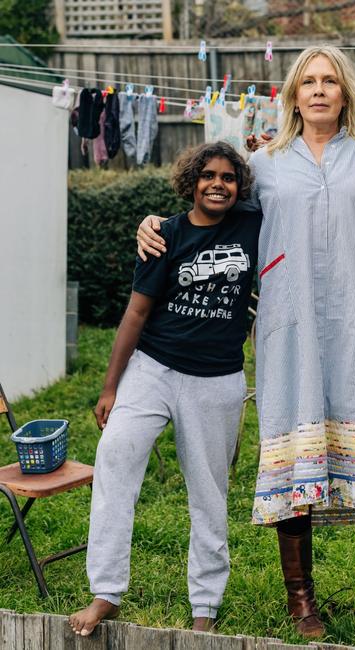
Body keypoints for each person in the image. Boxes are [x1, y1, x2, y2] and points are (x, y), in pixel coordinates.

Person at [137, 45, 355, 650]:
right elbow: (208, 213)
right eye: (307, 81)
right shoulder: (263, 167)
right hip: (287, 331)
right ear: (292, 94)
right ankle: (301, 598)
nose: (319, 90)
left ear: (346, 93)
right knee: (294, 453)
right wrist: (153, 222)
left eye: (330, 81)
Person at [69, 142, 262, 637]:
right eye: (207, 176)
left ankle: (205, 607)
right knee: (114, 458)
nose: (217, 183)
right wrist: (111, 386)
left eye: (228, 177)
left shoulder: (252, 224)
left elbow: (288, 184)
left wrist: (260, 151)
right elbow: (136, 312)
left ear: (240, 186)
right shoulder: (164, 235)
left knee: (209, 493)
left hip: (217, 380)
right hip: (152, 370)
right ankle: (105, 592)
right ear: (190, 182)